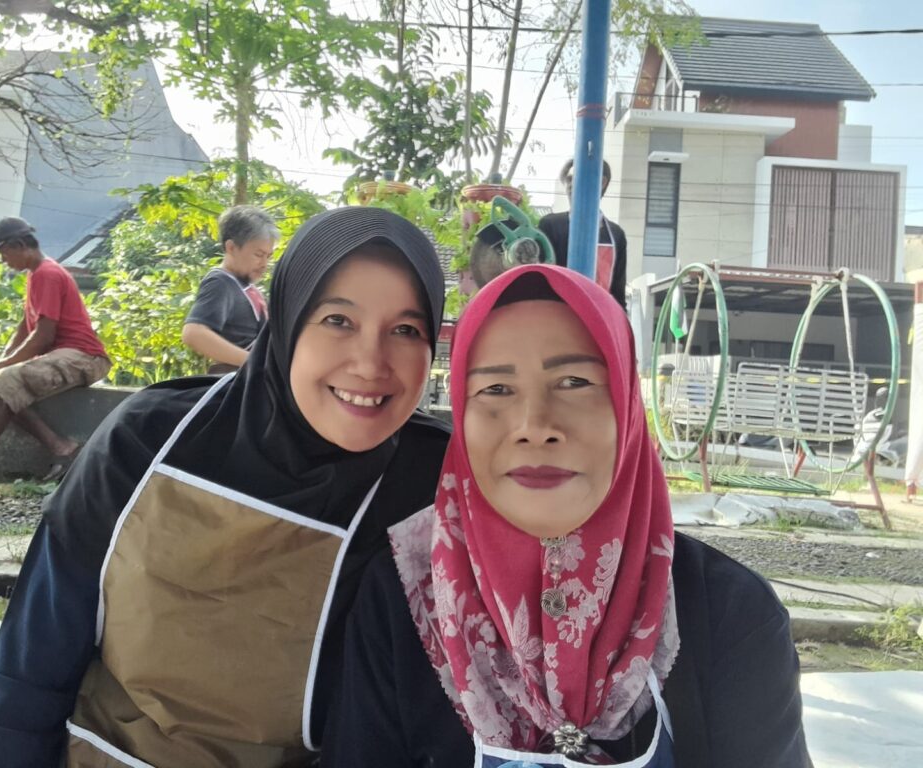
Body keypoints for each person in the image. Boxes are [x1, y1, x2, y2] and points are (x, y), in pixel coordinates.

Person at [0, 206, 450, 768]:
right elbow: (34, 659)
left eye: (406, 330)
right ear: (288, 321)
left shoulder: (429, 486)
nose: (371, 362)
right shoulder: (154, 438)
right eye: (338, 320)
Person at [324, 265, 812, 768]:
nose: (535, 426)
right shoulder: (401, 598)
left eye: (575, 382)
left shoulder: (729, 611)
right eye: (495, 389)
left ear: (627, 405)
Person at [0, 217, 110, 482]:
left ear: (19, 245)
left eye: (3, 252)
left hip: (85, 357)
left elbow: (43, 337)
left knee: (5, 380)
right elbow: (26, 328)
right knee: (1, 385)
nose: (3, 260)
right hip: (69, 356)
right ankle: (63, 448)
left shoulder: (48, 274)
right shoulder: (36, 274)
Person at [182, 205, 278, 373]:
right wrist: (254, 363)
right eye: (258, 254)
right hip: (237, 381)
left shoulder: (245, 286)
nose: (264, 264)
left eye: (268, 256)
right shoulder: (220, 282)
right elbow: (193, 333)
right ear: (231, 247)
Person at [538, 160, 628, 310]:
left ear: (602, 182)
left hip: (598, 317)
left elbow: (618, 296)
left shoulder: (616, 235)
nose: (571, 184)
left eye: (578, 177)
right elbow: (538, 283)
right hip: (557, 316)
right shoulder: (550, 225)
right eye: (568, 179)